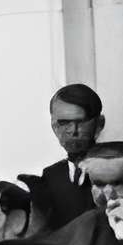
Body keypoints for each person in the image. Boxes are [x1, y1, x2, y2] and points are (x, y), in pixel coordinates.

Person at [34, 84, 105, 231]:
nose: (73, 131)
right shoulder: (51, 176)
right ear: (54, 127)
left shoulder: (116, 171)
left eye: (81, 122)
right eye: (63, 123)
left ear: (99, 124)